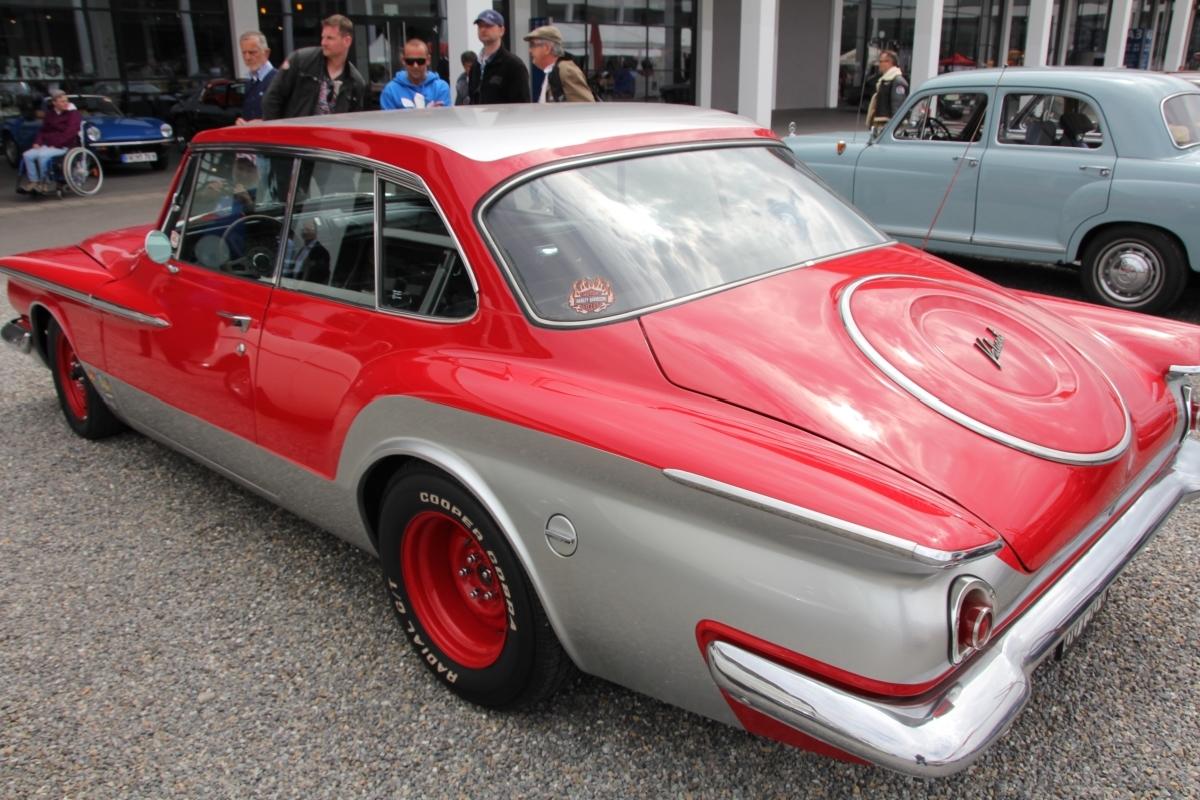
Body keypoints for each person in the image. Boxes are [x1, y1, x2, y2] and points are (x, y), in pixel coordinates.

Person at [262, 14, 366, 120]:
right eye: (323, 37)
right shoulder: (300, 60)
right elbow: (272, 99)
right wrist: (277, 129)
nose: (323, 42)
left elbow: (354, 120)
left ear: (347, 41)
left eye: (330, 38)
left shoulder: (356, 82)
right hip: (296, 129)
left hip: (331, 130)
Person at [19, 89, 80, 194]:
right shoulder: (50, 114)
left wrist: (56, 144)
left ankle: (44, 183)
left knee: (42, 156)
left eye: (66, 101)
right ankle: (34, 181)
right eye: (62, 101)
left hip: (64, 145)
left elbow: (71, 133)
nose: (65, 103)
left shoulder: (73, 114)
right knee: (27, 155)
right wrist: (38, 142)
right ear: (54, 103)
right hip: (48, 144)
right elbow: (43, 131)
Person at [468, 9, 530, 104]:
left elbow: (522, 104)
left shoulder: (514, 65)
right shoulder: (476, 65)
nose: (483, 29)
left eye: (488, 26)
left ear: (501, 30)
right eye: (480, 26)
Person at [524, 25, 594, 103]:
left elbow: (586, 107)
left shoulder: (566, 70)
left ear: (547, 48)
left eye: (533, 45)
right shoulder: (552, 71)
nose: (530, 50)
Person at [381, 39, 452, 109]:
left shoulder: (440, 88)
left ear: (428, 60)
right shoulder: (391, 91)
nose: (415, 66)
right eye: (410, 61)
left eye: (420, 61)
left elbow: (445, 116)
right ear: (403, 61)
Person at [236, 31, 276, 124]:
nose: (247, 57)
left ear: (266, 53)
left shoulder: (279, 80)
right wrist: (242, 122)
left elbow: (290, 115)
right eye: (244, 53)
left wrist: (263, 123)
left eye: (252, 52)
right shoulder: (249, 82)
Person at [865, 50, 907, 133]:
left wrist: (892, 128)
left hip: (887, 126)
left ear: (889, 62)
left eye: (881, 61)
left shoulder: (897, 81)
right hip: (881, 125)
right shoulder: (885, 80)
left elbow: (897, 107)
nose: (879, 64)